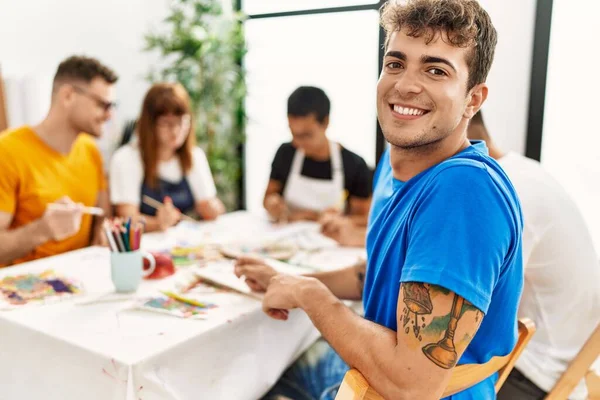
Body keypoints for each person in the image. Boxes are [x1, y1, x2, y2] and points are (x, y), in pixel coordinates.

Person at [235, 1, 525, 399]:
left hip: (393, 389)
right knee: (255, 366)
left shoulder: (463, 192)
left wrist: (309, 294)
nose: (405, 84)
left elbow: (412, 384)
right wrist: (291, 280)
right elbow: (378, 275)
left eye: (436, 69)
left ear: (473, 99)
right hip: (368, 373)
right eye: (395, 63)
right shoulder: (396, 164)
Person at [468, 111, 600, 400]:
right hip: (566, 362)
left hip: (535, 375)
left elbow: (473, 305)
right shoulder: (523, 171)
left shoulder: (503, 190)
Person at [0, 56, 117, 267]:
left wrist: (103, 229)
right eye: (103, 105)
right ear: (68, 96)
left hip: (81, 280)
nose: (110, 115)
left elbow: (103, 215)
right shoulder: (7, 151)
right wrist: (42, 230)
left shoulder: (90, 150)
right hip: (26, 289)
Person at [110, 83, 224, 232]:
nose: (176, 130)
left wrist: (213, 209)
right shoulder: (126, 158)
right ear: (149, 124)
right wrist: (158, 223)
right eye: (166, 123)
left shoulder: (195, 156)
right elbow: (127, 218)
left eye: (182, 121)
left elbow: (207, 205)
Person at [264, 86, 372, 223]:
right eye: (293, 134)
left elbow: (364, 219)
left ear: (326, 122)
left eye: (306, 135)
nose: (298, 142)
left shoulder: (354, 164)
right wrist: (272, 203)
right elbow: (268, 197)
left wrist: (322, 218)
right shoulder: (285, 153)